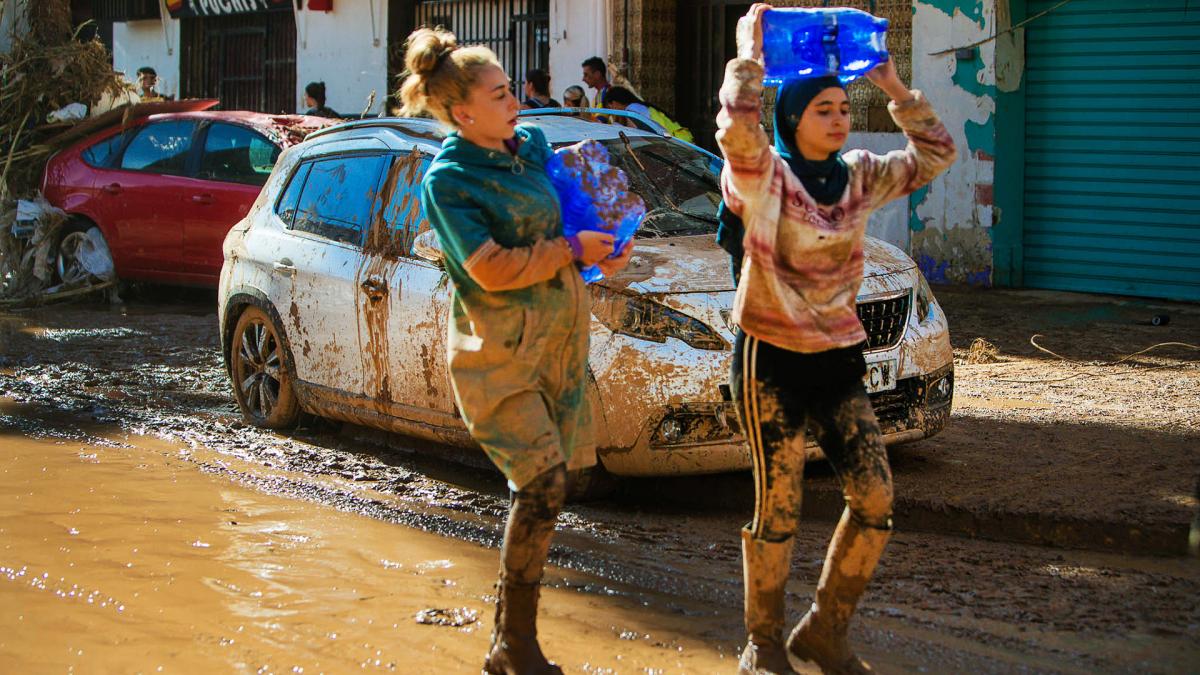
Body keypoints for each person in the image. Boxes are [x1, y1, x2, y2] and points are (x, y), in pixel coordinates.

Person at [718, 5, 955, 674]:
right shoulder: (764, 177)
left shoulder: (859, 174)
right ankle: (762, 642)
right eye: (824, 108)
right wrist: (748, 58)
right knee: (781, 505)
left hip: (837, 358)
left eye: (843, 108)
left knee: (876, 498)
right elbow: (737, 129)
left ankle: (825, 626)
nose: (840, 118)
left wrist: (896, 88)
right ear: (793, 118)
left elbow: (937, 153)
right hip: (770, 360)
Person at [398, 26, 633, 674]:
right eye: (501, 95)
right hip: (496, 356)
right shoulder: (448, 182)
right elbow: (490, 268)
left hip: (560, 344)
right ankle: (514, 644)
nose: (516, 103)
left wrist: (606, 248)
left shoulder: (529, 147)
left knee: (551, 489)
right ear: (462, 112)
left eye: (511, 90)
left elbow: (572, 221)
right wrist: (568, 251)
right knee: (542, 482)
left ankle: (509, 639)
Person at [603, 86, 695, 143]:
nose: (612, 112)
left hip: (677, 142)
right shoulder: (638, 106)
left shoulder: (632, 109)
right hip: (679, 139)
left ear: (614, 102)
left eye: (610, 107)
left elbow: (636, 136)